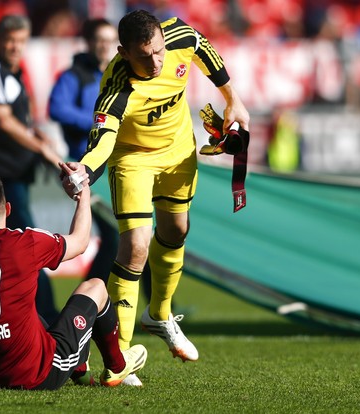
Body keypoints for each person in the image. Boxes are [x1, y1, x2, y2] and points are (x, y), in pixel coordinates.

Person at [60, 10, 250, 386]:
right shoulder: (115, 86)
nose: (156, 62)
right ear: (123, 52)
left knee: (177, 231)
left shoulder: (179, 36)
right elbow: (102, 141)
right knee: (135, 247)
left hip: (177, 149)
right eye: (144, 56)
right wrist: (84, 170)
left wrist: (234, 100)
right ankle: (122, 354)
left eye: (159, 52)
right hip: (132, 158)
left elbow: (204, 49)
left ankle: (159, 315)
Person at [0, 172, 147, 389]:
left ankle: (78, 367)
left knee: (25, 308)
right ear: (8, 209)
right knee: (95, 286)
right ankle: (117, 366)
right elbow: (80, 241)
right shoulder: (24, 243)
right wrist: (84, 195)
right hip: (39, 374)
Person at [49, 18, 156, 290]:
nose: (104, 45)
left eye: (109, 40)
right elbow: (56, 108)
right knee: (115, 236)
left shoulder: (120, 73)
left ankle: (158, 304)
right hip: (89, 171)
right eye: (100, 39)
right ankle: (85, 301)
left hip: (122, 165)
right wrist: (101, 121)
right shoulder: (75, 76)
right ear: (88, 42)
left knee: (136, 233)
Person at [0, 15, 62, 324]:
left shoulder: (13, 74)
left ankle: (10, 313)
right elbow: (5, 120)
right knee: (26, 244)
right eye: (10, 40)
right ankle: (45, 314)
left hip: (12, 174)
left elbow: (19, 122)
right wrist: (42, 149)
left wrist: (37, 135)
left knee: (5, 248)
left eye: (21, 41)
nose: (15, 47)